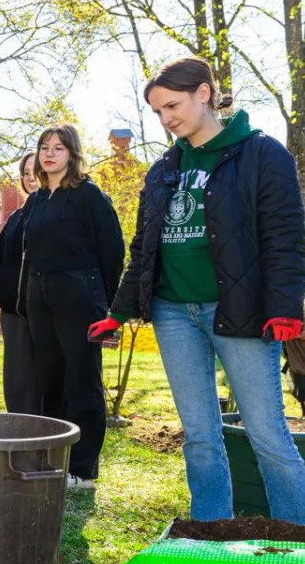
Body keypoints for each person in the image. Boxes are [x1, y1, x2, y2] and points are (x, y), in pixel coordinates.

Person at [89, 57, 305, 524]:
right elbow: (145, 246)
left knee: (268, 433)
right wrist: (119, 310)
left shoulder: (262, 154)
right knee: (200, 435)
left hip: (240, 311)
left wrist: (286, 306)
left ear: (204, 93)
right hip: (172, 314)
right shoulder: (165, 167)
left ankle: (295, 540)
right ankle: (210, 531)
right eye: (158, 112)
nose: (167, 119)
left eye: (172, 106)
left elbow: (285, 237)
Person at [25, 124, 125, 490]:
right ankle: (53, 459)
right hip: (41, 296)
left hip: (80, 295)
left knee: (81, 378)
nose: (49, 154)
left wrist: (108, 307)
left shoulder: (89, 195)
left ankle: (83, 470)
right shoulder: (35, 200)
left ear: (73, 154)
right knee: (49, 378)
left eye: (59, 148)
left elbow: (113, 252)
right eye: (44, 147)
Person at [0, 153, 41, 414]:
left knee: (45, 379)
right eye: (25, 173)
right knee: (18, 380)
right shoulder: (16, 218)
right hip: (15, 314)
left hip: (48, 311)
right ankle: (20, 430)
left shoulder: (61, 214)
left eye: (35, 171)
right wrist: (1, 293)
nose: (30, 177)